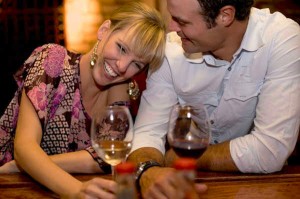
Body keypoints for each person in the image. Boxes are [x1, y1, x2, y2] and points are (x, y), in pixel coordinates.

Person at [127, 0, 300, 198]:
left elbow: (270, 151)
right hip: (182, 186)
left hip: (259, 188)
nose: (171, 28)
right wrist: (148, 171)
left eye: (181, 22)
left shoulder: (281, 38)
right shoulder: (169, 51)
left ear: (225, 15)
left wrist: (179, 157)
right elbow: (148, 132)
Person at [0, 2, 166, 198]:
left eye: (136, 64)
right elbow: (24, 148)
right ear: (104, 31)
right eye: (121, 48)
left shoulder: (120, 89)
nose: (122, 67)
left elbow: (105, 157)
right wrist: (77, 190)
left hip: (39, 186)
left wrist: (28, 165)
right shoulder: (53, 60)